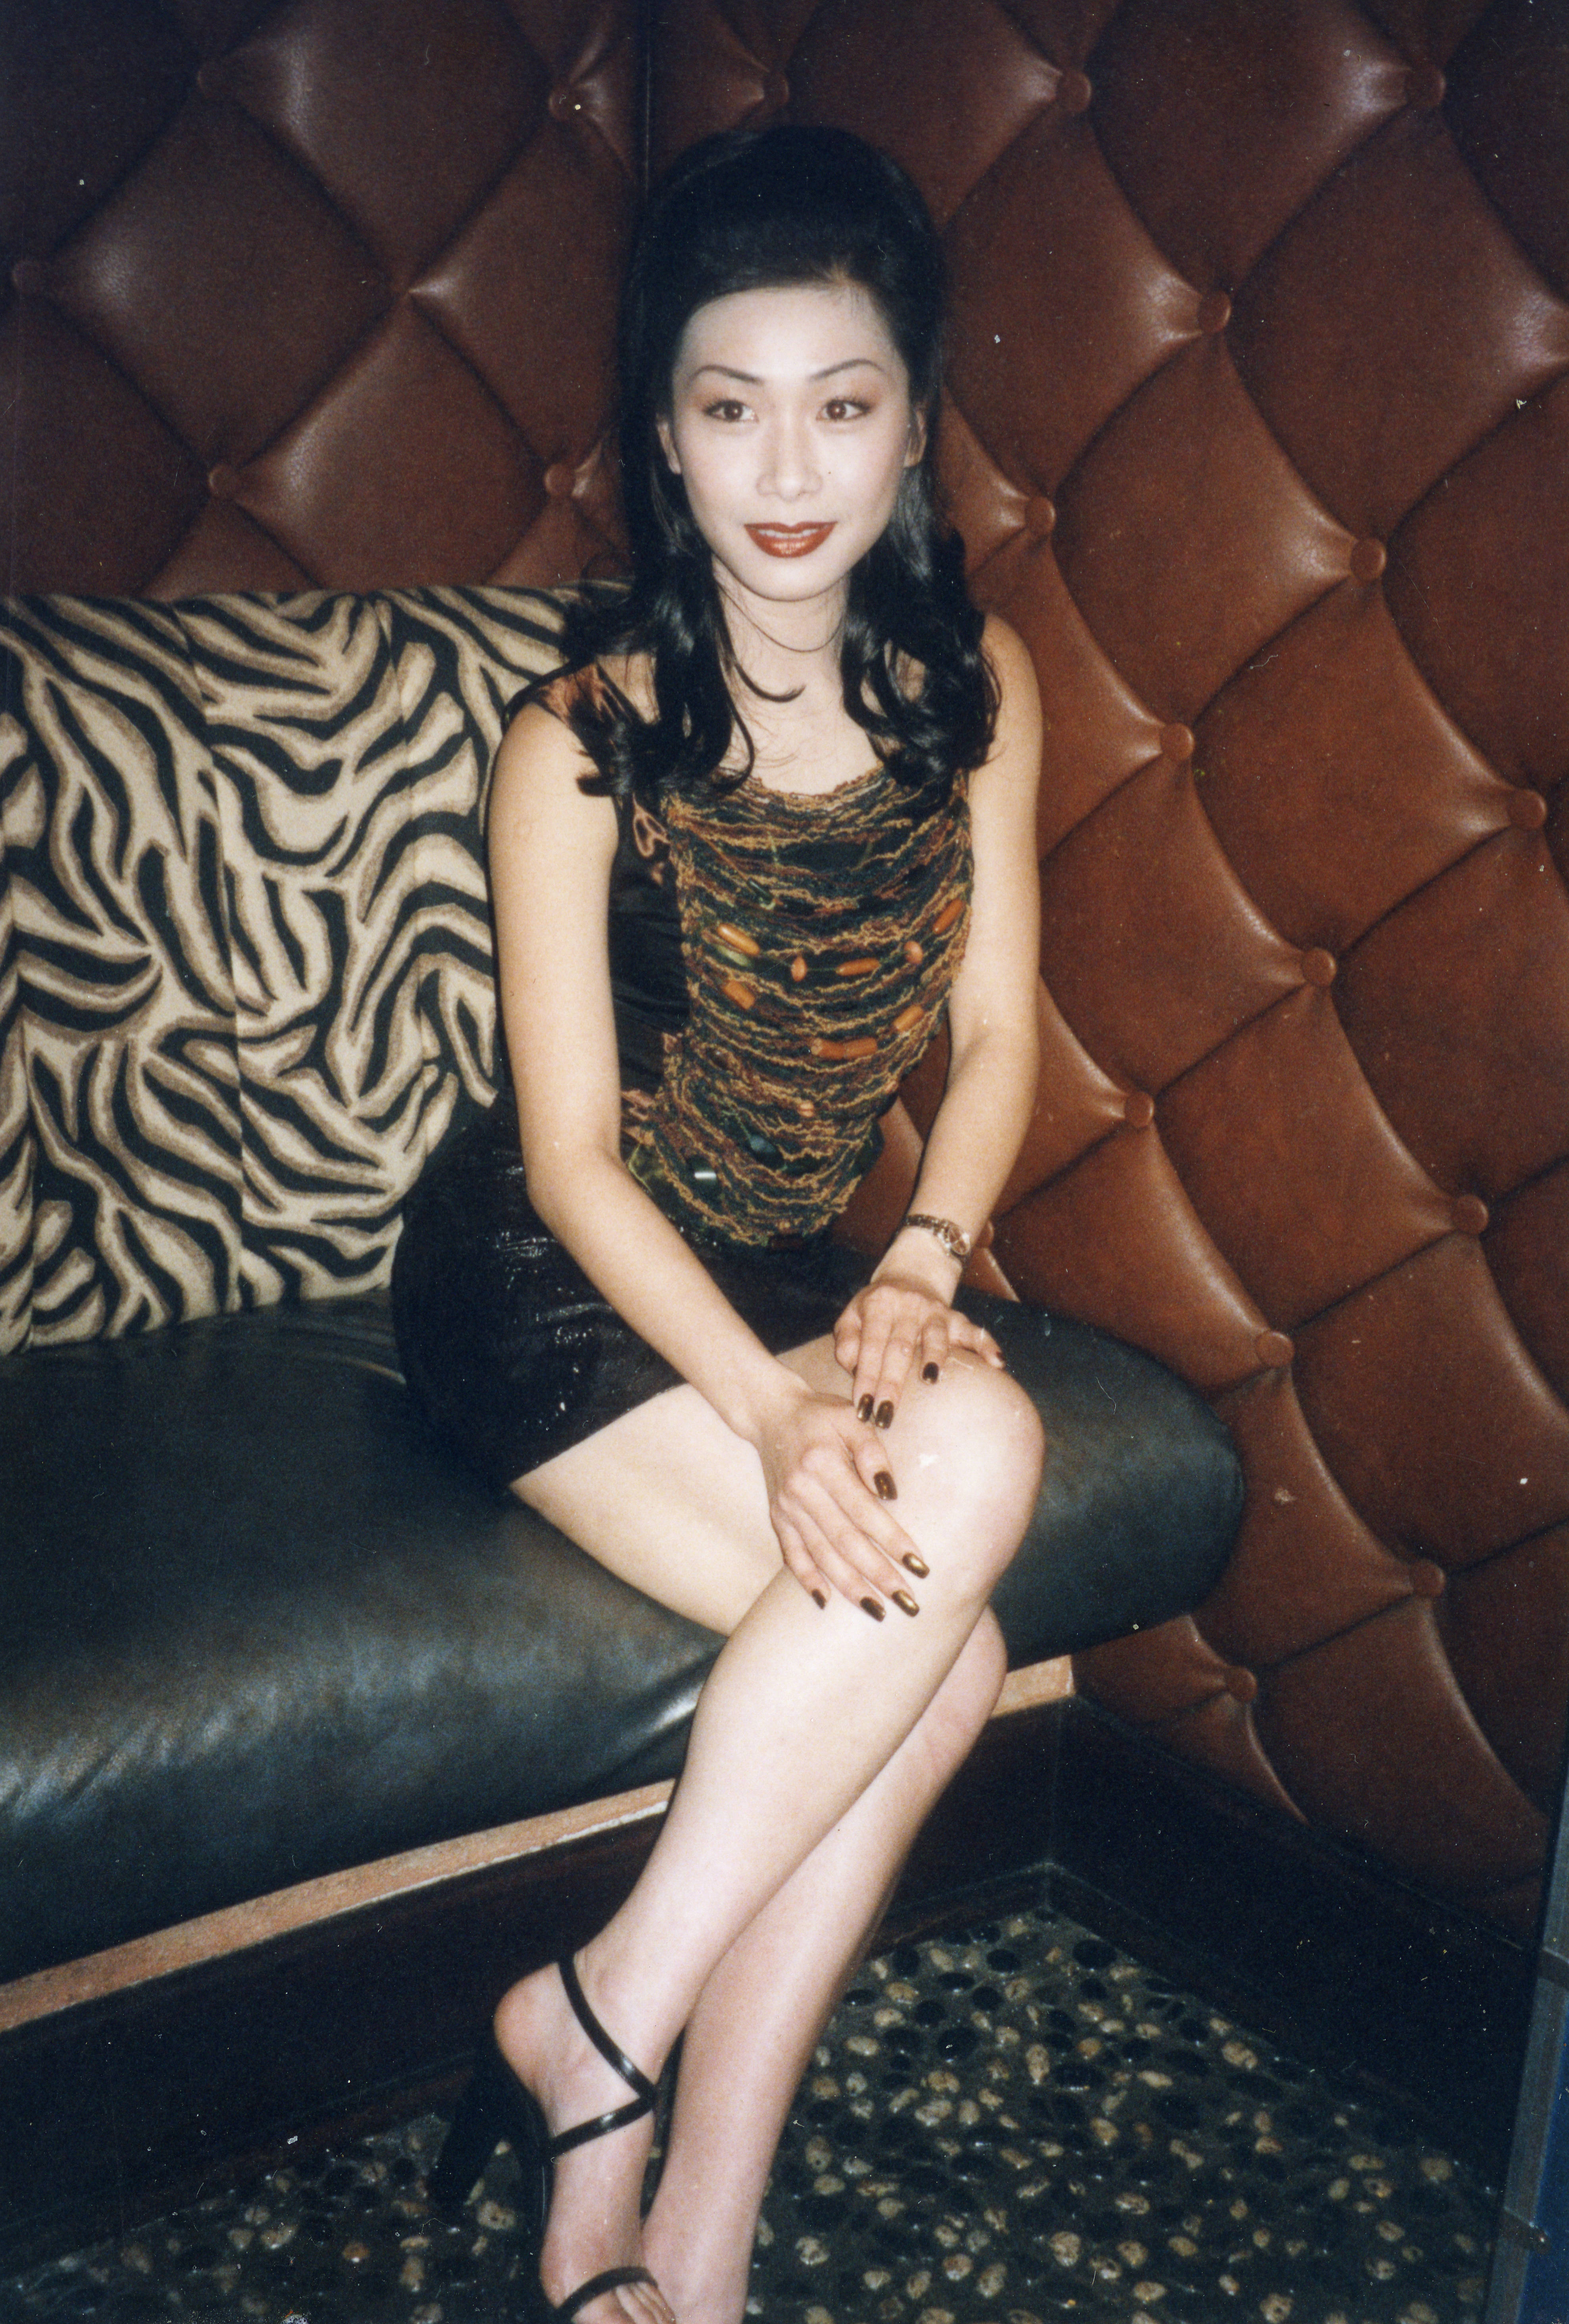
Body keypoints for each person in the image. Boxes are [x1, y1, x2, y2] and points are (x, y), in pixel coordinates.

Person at [392, 124, 1241, 2324]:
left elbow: (994, 1032)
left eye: (841, 404)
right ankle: (647, 2158)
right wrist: (776, 1414)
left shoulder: (975, 689)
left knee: (965, 1496)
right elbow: (569, 1165)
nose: (789, 469)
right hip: (547, 1280)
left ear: (912, 424)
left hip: (791, 1264)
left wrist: (922, 1259)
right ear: (664, 440)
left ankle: (622, 2091)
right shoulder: (578, 741)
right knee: (936, 1665)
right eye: (730, 405)